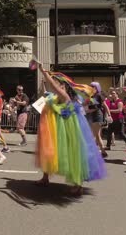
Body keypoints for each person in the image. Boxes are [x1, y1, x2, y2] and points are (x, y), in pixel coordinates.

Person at [35, 63, 106, 195]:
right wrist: (43, 83)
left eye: (58, 84)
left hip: (68, 130)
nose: (55, 86)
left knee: (74, 156)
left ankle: (78, 184)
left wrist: (43, 71)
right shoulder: (55, 97)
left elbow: (53, 87)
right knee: (50, 153)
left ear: (64, 86)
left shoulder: (65, 96)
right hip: (57, 130)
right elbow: (45, 94)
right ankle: (45, 178)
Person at [85, 81, 110, 157]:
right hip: (94, 116)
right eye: (90, 86)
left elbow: (96, 108)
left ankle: (97, 151)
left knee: (95, 135)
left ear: (96, 87)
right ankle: (102, 152)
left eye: (92, 86)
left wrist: (85, 111)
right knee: (97, 135)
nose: (91, 88)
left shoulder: (98, 96)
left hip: (97, 116)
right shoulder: (93, 96)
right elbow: (104, 105)